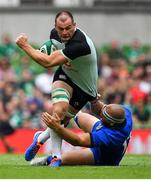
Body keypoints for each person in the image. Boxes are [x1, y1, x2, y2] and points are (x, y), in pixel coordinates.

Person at [16, 11, 98, 167]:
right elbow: (54, 49)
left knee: (62, 122)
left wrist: (25, 46)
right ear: (55, 27)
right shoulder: (55, 34)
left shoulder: (81, 44)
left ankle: (40, 138)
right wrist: (54, 54)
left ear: (75, 25)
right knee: (59, 112)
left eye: (68, 28)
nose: (65, 32)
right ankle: (56, 157)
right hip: (65, 77)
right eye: (61, 29)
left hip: (84, 88)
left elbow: (47, 62)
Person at [30, 101, 133, 166]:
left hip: (101, 156)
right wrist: (93, 99)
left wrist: (57, 128)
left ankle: (45, 159)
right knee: (73, 113)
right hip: (105, 131)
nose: (100, 114)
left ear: (111, 122)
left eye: (103, 115)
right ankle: (42, 136)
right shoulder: (125, 113)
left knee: (62, 159)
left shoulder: (110, 136)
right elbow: (101, 108)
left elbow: (77, 140)